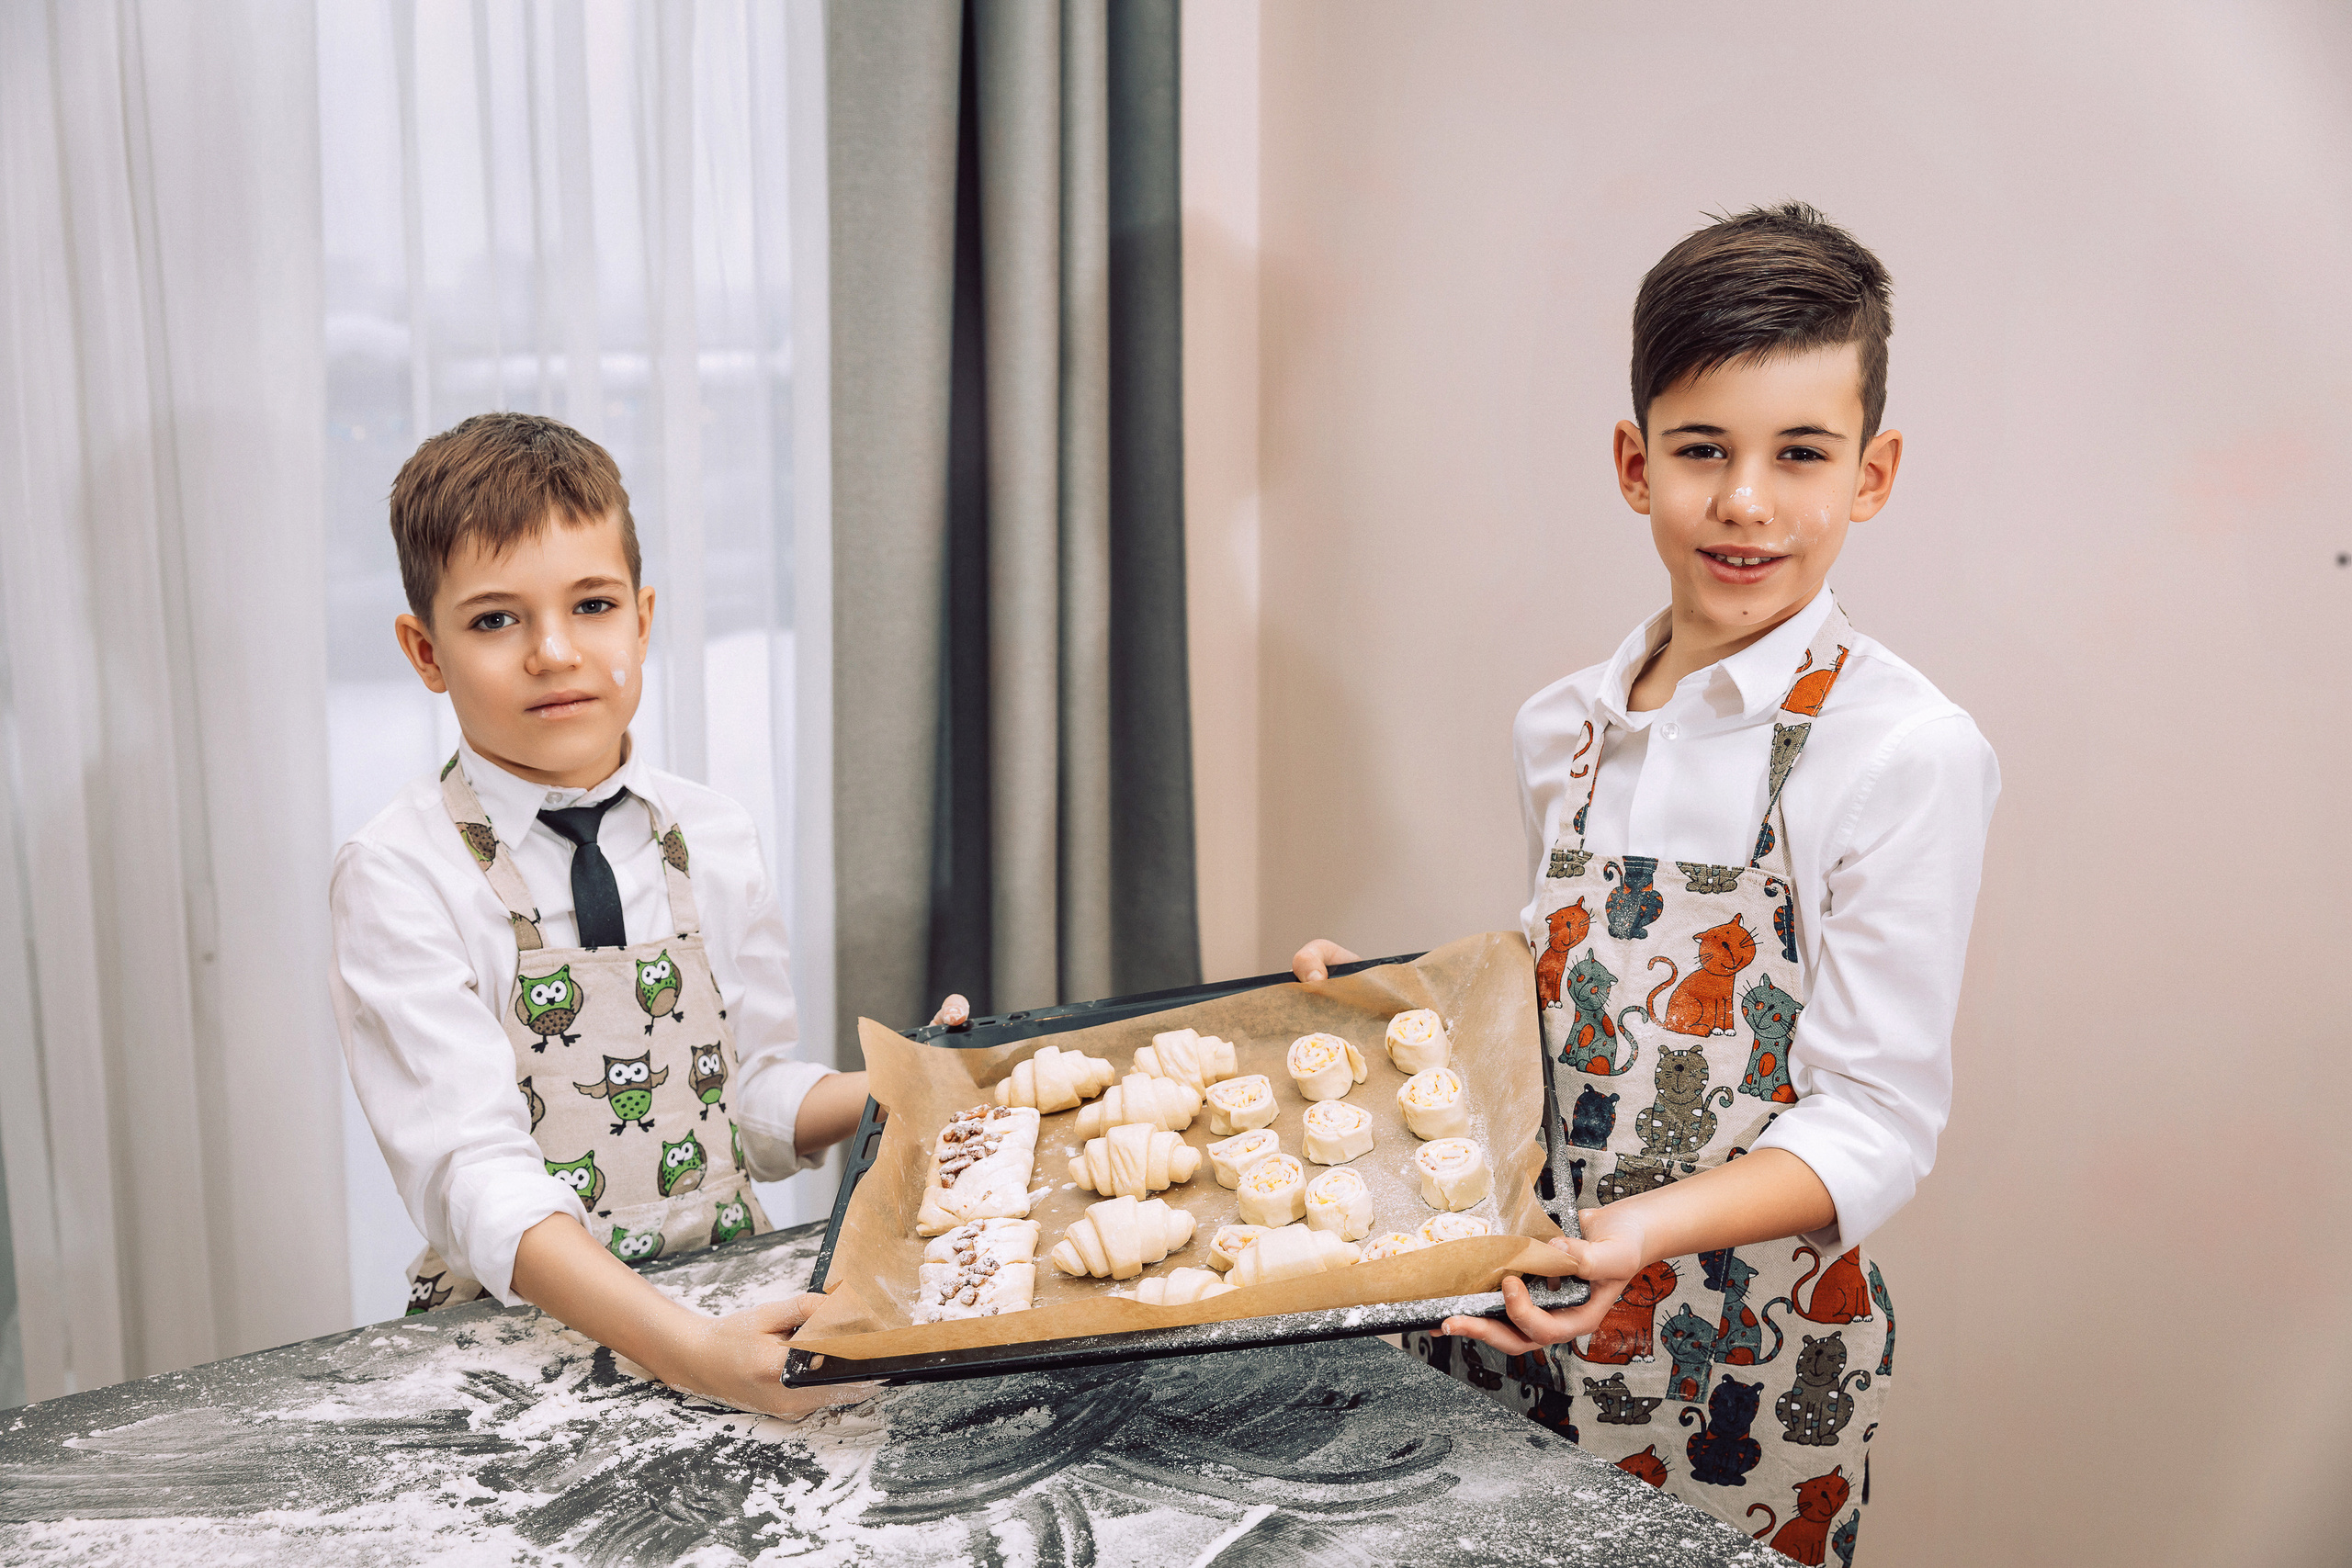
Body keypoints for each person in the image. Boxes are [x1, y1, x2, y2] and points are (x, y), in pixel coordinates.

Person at [1294, 203, 1997, 1553]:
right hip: (1516, 1313)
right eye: (1701, 451)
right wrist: (1394, 1014)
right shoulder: (1558, 724)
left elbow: (1876, 1119)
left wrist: (1630, 1235)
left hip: (1751, 1362)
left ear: (1874, 472)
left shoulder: (1905, 750)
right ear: (1634, 462)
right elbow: (1563, 1007)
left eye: (1801, 453)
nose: (1746, 500)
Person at [331, 412, 869, 1417]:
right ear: (424, 650)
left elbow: (739, 1097)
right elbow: (478, 1178)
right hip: (521, 1356)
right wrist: (688, 1353)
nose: (552, 652)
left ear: (643, 619)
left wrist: (902, 1088)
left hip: (732, 1310)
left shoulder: (712, 831)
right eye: (494, 619)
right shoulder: (398, 873)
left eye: (591, 605)